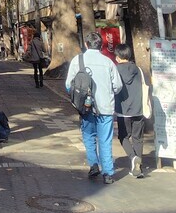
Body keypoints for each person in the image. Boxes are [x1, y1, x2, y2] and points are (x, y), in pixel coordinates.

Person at [64, 33, 122, 184]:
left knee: (89, 136)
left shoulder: (78, 60)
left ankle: (93, 165)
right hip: (105, 107)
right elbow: (118, 86)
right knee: (105, 140)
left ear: (86, 44)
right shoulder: (108, 62)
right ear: (101, 45)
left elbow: (69, 84)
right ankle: (108, 173)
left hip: (86, 106)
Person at [114, 42, 150, 178]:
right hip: (139, 109)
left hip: (123, 110)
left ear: (118, 57)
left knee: (123, 136)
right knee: (138, 138)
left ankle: (133, 157)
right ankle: (138, 169)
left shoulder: (115, 70)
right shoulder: (138, 69)